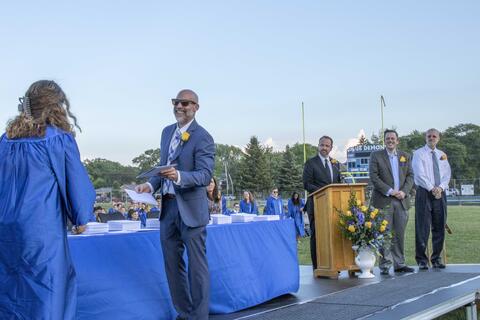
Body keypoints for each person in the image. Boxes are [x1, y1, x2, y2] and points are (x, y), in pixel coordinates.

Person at [0, 80, 95, 319]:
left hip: (5, 231)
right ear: (56, 106)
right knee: (47, 291)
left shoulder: (5, 141)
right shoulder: (57, 139)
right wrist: (80, 216)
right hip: (40, 232)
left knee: (10, 293)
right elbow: (76, 184)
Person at [135, 89, 214, 319]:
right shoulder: (166, 132)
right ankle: (184, 313)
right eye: (176, 102)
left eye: (185, 103)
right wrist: (149, 186)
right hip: (168, 208)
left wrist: (178, 176)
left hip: (192, 210)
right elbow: (162, 168)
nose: (179, 106)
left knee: (197, 268)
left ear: (196, 107)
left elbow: (204, 176)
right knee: (172, 265)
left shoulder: (203, 137)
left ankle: (199, 316)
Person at [369, 129, 415, 275]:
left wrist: (404, 191)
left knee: (399, 234)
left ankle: (399, 264)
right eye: (387, 138)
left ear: (397, 140)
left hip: (401, 201)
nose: (390, 140)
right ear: (384, 140)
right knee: (385, 233)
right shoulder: (376, 155)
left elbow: (410, 176)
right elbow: (374, 177)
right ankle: (385, 265)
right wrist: (390, 191)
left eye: (393, 138)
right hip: (384, 200)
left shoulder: (405, 156)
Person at [412, 128, 451, 270]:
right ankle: (422, 260)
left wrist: (440, 188)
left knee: (439, 226)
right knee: (422, 227)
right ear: (425, 137)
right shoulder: (418, 154)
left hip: (440, 193)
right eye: (429, 136)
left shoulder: (442, 155)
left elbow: (447, 174)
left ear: (438, 138)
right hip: (424, 192)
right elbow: (419, 174)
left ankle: (436, 258)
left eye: (434, 136)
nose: (431, 138)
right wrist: (432, 188)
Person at [303, 135, 342, 270]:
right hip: (316, 204)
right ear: (318, 146)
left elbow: (338, 183)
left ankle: (333, 265)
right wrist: (325, 190)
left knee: (333, 234)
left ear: (331, 148)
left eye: (327, 146)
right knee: (317, 236)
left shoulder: (335, 163)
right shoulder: (310, 163)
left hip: (333, 206)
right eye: (322, 145)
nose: (324, 148)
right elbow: (307, 184)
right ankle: (318, 266)